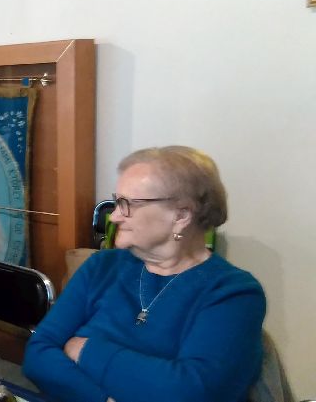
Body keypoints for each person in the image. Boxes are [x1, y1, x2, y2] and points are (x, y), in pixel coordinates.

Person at [23, 146, 266, 402]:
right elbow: (38, 355)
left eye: (127, 204)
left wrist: (84, 349)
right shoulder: (101, 266)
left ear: (181, 215)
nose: (114, 217)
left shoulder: (233, 293)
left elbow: (190, 392)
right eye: (117, 202)